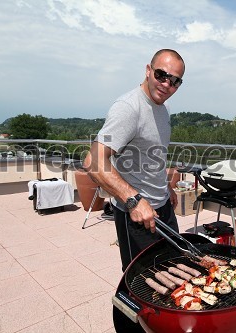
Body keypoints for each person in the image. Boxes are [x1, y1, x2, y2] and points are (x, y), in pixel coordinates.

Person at [84, 49, 185, 272]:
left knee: (173, 272)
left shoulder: (163, 108)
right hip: (136, 216)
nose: (167, 84)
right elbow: (93, 161)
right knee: (141, 284)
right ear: (148, 70)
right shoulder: (128, 108)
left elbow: (152, 154)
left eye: (175, 81)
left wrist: (166, 187)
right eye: (161, 75)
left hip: (163, 207)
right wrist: (133, 200)